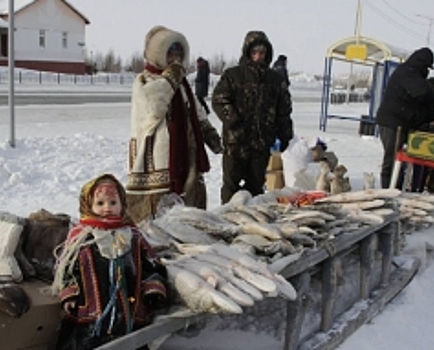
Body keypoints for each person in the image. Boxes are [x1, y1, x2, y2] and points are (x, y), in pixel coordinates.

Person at [52, 174, 168, 350]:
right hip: (89, 312)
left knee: (130, 342)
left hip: (129, 310)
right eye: (100, 204)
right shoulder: (82, 237)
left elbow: (150, 264)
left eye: (113, 203)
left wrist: (152, 289)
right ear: (88, 205)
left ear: (122, 204)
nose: (107, 208)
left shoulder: (133, 236)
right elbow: (67, 267)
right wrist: (70, 293)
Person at [126, 26, 222, 223]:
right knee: (158, 213)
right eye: (170, 52)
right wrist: (171, 77)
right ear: (158, 53)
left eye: (179, 53)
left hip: (187, 152)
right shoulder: (145, 81)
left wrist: (208, 132)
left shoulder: (181, 83)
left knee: (190, 202)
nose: (175, 58)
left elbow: (194, 108)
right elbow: (154, 109)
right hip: (158, 158)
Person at [212, 31, 294, 204]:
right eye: (254, 52)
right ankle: (227, 220)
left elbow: (284, 110)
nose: (258, 57)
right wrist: (233, 120)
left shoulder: (275, 79)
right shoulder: (233, 75)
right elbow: (219, 99)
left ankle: (252, 222)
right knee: (231, 186)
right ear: (247, 52)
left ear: (267, 54)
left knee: (256, 187)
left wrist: (285, 133)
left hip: (261, 144)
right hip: (236, 143)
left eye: (262, 53)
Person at [375, 47, 434, 189]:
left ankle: (396, 189)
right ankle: (387, 193)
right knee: (392, 160)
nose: (427, 71)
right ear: (422, 63)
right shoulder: (408, 73)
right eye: (427, 67)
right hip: (393, 123)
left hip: (399, 121)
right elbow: (422, 93)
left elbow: (421, 108)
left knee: (398, 161)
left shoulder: (411, 74)